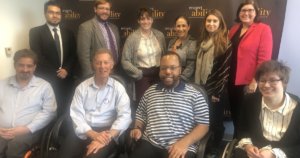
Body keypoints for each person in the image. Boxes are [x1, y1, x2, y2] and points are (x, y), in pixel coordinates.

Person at [129, 52, 209, 158]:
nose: (167, 71)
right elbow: (141, 114)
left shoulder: (194, 94)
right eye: (163, 68)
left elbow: (203, 125)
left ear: (180, 69)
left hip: (180, 146)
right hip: (150, 143)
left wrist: (184, 143)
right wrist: (138, 129)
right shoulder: (150, 92)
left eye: (172, 68)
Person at [58, 49, 131, 158]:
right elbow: (76, 115)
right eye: (98, 63)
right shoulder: (82, 87)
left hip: (107, 131)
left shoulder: (118, 89)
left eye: (106, 62)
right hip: (84, 130)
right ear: (93, 65)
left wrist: (107, 137)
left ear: (112, 65)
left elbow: (125, 116)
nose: (102, 66)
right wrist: (93, 134)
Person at [233, 60, 300, 158]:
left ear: (284, 82)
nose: (266, 85)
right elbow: (242, 129)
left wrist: (274, 154)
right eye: (262, 80)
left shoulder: (297, 109)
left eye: (272, 80)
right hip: (253, 154)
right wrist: (248, 146)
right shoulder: (250, 101)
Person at [0, 49, 57, 158]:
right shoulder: (2, 84)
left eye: (29, 66)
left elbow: (50, 113)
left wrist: (27, 129)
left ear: (34, 67)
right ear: (14, 65)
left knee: (14, 147)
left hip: (30, 132)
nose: (25, 69)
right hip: (2, 130)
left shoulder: (44, 86)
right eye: (21, 65)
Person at [228, 0, 273, 133]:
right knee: (235, 113)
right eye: (243, 10)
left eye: (250, 10)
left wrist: (255, 80)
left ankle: (247, 144)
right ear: (239, 13)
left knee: (248, 116)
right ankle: (237, 141)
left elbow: (264, 60)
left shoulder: (263, 29)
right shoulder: (234, 29)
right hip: (232, 79)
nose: (246, 13)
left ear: (256, 12)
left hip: (249, 82)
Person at [194, 9, 232, 156]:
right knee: (202, 119)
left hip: (216, 91)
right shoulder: (203, 42)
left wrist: (217, 92)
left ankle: (215, 147)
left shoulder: (225, 43)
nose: (211, 24)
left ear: (220, 23)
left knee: (215, 121)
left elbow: (225, 71)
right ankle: (205, 143)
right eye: (208, 21)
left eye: (214, 21)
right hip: (201, 88)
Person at [29, 1, 76, 116]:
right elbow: (38, 56)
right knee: (49, 111)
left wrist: (66, 70)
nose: (55, 15)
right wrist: (56, 72)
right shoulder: (35, 32)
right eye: (51, 12)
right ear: (45, 14)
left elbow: (73, 54)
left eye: (58, 13)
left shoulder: (69, 32)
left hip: (67, 79)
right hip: (47, 79)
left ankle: (63, 130)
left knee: (66, 109)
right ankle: (49, 133)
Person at [121, 7, 166, 107]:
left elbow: (165, 56)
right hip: (143, 75)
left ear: (152, 20)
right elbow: (125, 60)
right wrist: (138, 73)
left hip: (159, 74)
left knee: (160, 103)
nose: (146, 21)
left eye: (148, 18)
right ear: (138, 21)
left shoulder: (160, 35)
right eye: (142, 19)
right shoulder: (132, 38)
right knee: (144, 104)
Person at [77, 0, 122, 79]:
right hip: (97, 74)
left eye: (107, 9)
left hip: (115, 72)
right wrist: (90, 77)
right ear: (95, 9)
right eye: (101, 8)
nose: (105, 11)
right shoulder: (86, 27)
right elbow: (83, 56)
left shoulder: (114, 28)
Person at [168, 16, 196, 81]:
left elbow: (190, 68)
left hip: (183, 81)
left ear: (188, 27)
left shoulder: (192, 43)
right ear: (175, 27)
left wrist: (179, 80)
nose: (181, 29)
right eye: (178, 26)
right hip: (170, 78)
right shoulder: (171, 42)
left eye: (184, 26)